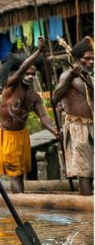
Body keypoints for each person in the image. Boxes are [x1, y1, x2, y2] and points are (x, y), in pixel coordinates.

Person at [0, 38, 61, 193]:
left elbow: (43, 117)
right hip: (8, 135)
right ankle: (19, 204)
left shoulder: (34, 96)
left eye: (33, 74)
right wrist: (39, 51)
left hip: (22, 136)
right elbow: (23, 67)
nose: (31, 76)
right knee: (15, 174)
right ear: (21, 73)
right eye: (27, 73)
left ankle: (21, 201)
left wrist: (54, 130)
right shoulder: (11, 86)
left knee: (21, 174)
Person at [53, 37, 94, 195]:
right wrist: (71, 75)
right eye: (87, 58)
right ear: (77, 60)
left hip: (91, 127)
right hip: (77, 128)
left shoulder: (89, 76)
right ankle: (87, 215)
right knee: (84, 173)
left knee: (91, 173)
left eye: (93, 58)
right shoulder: (67, 76)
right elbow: (55, 98)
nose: (91, 62)